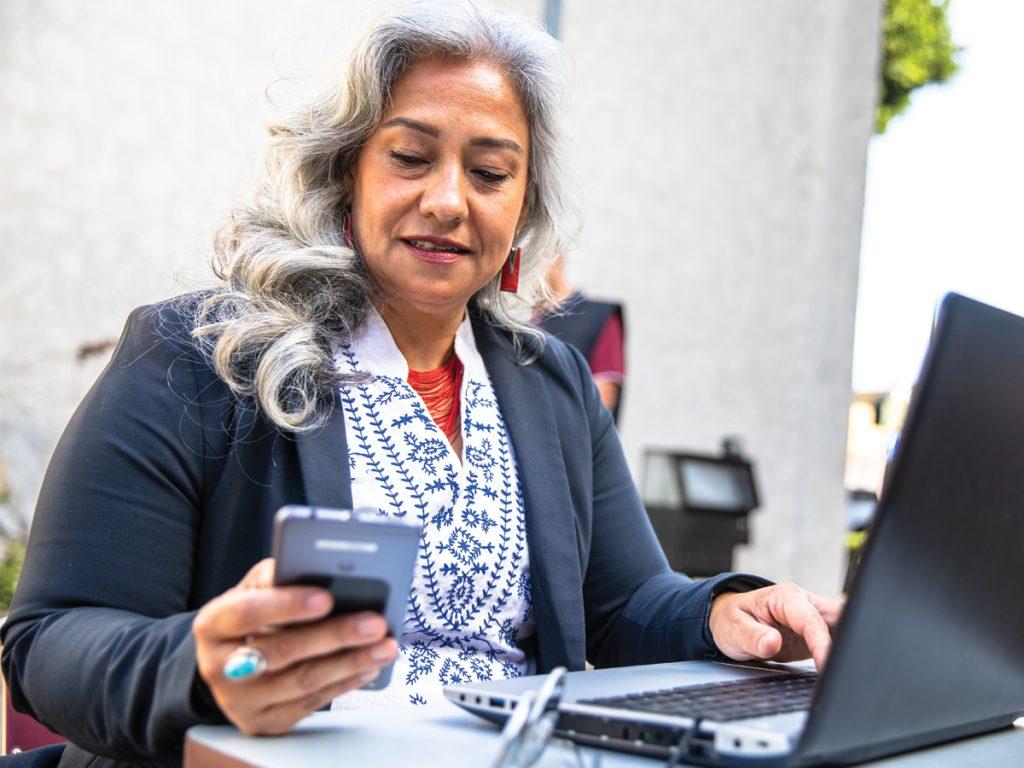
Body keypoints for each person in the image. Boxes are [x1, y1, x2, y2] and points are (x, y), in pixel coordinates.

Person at [0, 3, 843, 767]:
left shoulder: (552, 383)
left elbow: (624, 604)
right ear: (345, 175)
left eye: (489, 173)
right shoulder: (198, 356)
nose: (448, 200)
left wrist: (725, 615)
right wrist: (209, 668)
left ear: (523, 206)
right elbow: (48, 643)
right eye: (410, 156)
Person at [536, 256, 627, 421]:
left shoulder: (597, 317)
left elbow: (599, 409)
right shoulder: (522, 320)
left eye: (533, 257)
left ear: (556, 259)